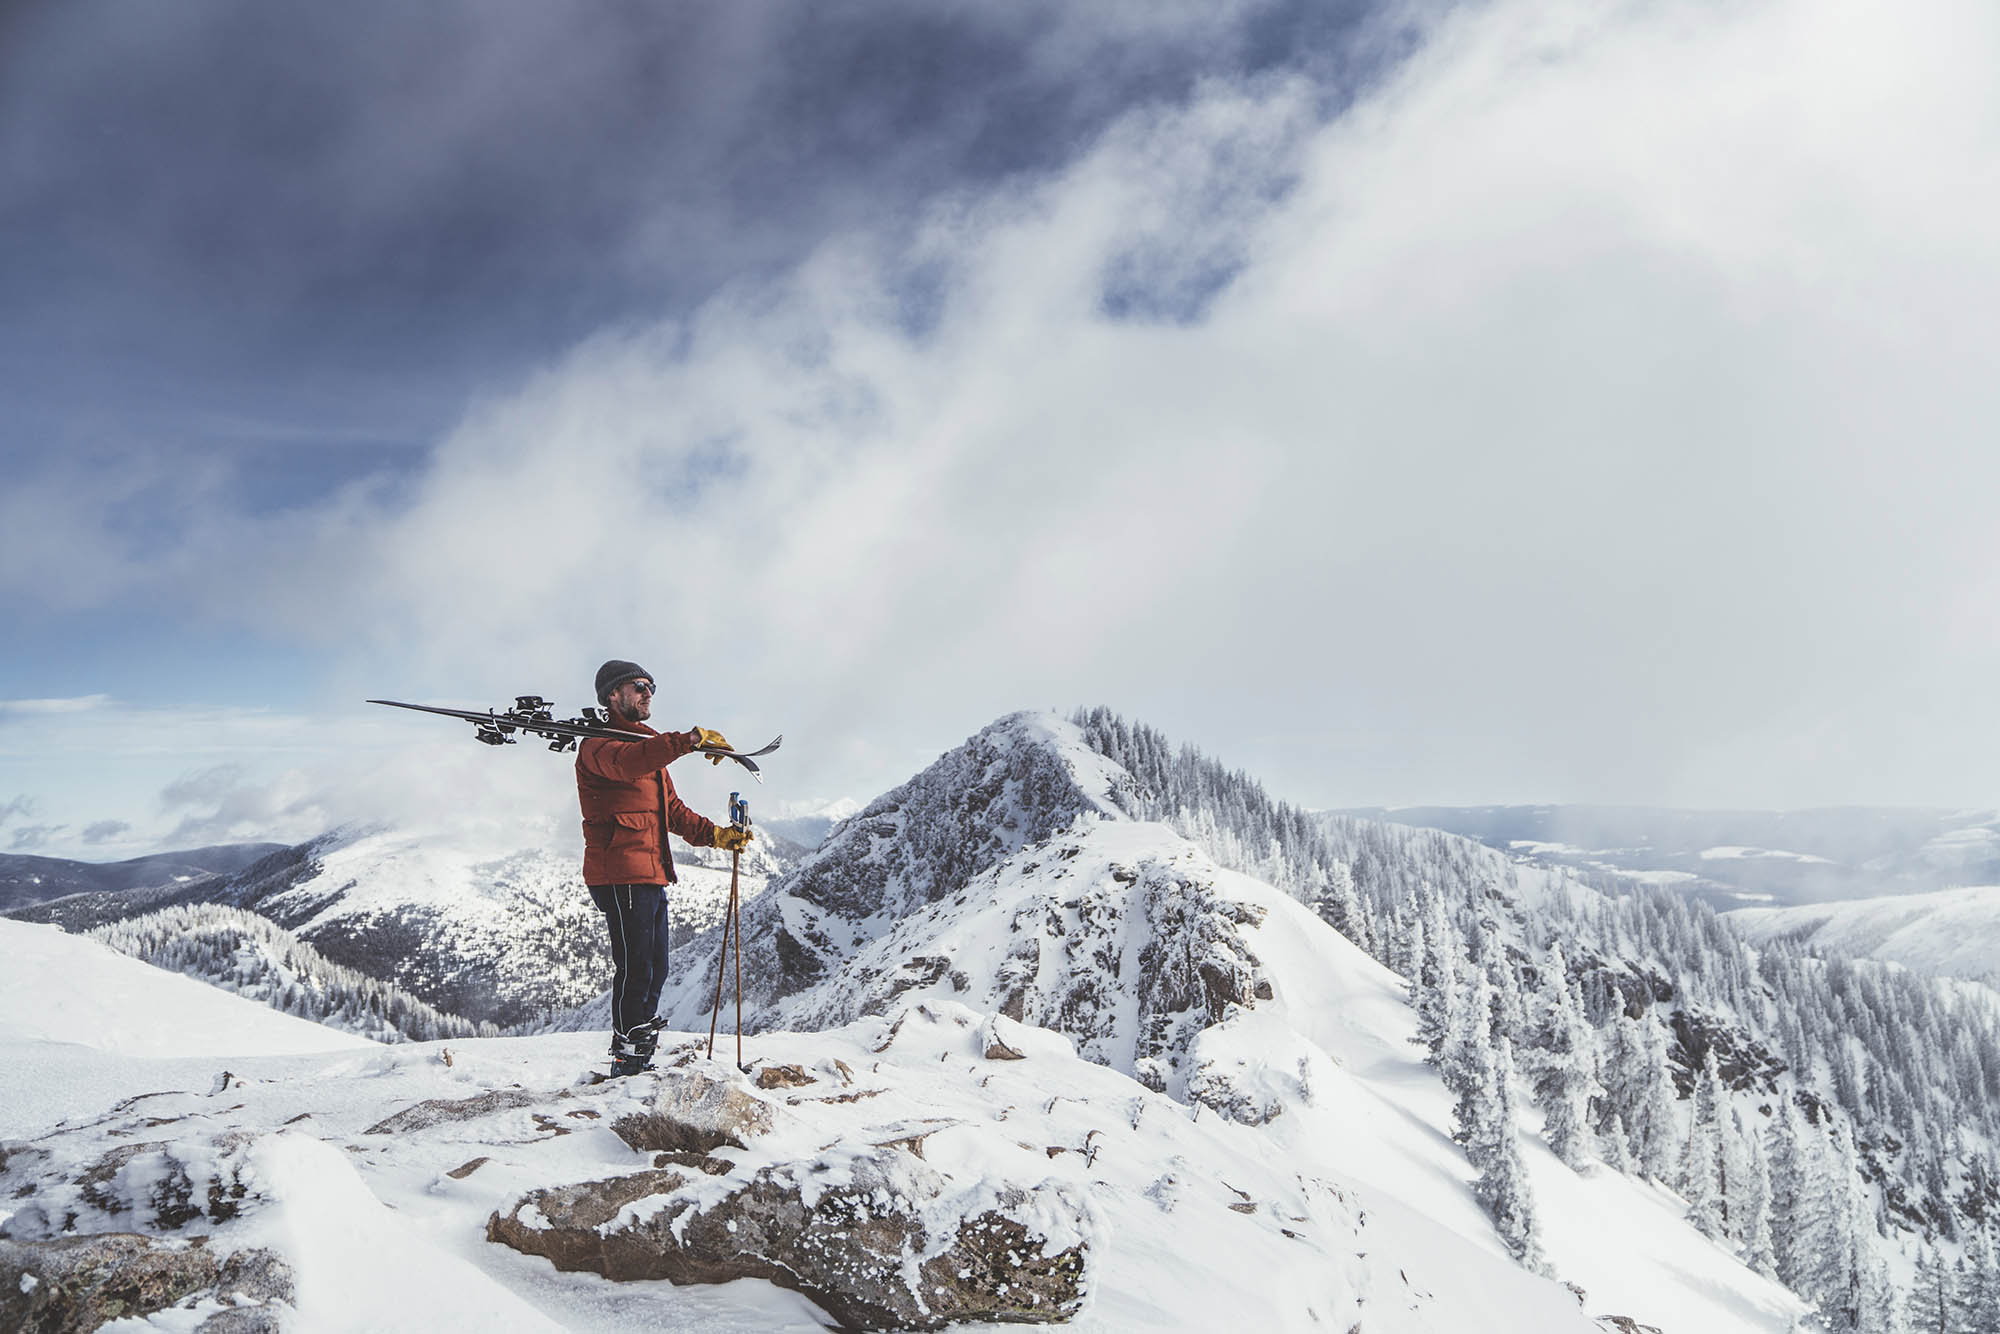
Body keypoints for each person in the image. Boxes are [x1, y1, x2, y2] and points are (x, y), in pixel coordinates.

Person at [577, 658, 752, 1076]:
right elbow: (628, 764)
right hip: (620, 872)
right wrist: (689, 739)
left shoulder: (646, 751)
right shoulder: (599, 747)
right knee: (636, 966)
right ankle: (628, 1053)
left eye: (651, 686)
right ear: (613, 696)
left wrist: (718, 836)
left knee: (656, 967)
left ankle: (639, 1050)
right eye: (639, 686)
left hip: (651, 872)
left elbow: (671, 812)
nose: (648, 692)